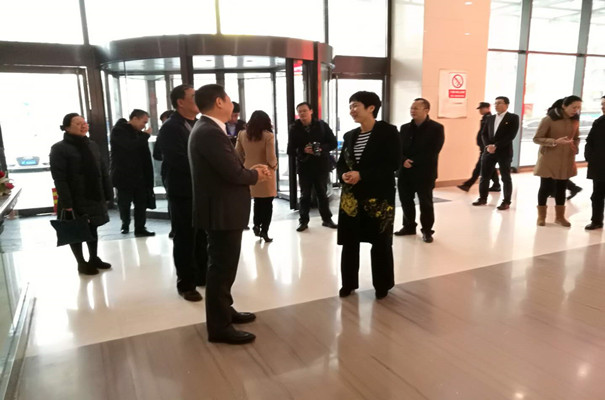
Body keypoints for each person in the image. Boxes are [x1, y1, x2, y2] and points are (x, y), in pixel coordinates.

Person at [189, 84, 271, 344]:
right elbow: (233, 173)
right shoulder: (209, 131)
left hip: (221, 209)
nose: (231, 103)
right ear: (219, 102)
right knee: (221, 269)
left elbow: (227, 167)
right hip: (221, 211)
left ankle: (225, 311)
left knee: (223, 267)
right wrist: (256, 174)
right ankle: (219, 327)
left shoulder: (208, 128)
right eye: (228, 99)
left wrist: (250, 171)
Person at [336, 91, 401, 300]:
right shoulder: (350, 135)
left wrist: (362, 175)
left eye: (355, 105)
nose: (352, 110)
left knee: (380, 242)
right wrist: (343, 174)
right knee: (350, 241)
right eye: (350, 106)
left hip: (378, 198)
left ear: (371, 108)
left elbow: (393, 163)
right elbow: (342, 163)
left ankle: (382, 285)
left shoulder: (388, 132)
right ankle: (348, 283)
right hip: (351, 199)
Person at [156, 85, 207, 302]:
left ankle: (202, 275)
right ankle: (186, 284)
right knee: (185, 236)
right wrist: (207, 168)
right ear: (180, 102)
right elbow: (178, 159)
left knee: (202, 234)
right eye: (194, 96)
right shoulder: (171, 127)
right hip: (182, 190)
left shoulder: (199, 123)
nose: (198, 99)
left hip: (201, 189)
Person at [50, 113, 113, 275]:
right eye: (78, 123)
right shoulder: (59, 149)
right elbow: (59, 178)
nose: (84, 125)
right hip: (74, 196)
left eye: (84, 122)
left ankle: (94, 258)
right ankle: (81, 262)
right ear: (67, 128)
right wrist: (67, 203)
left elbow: (103, 171)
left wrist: (108, 192)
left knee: (93, 227)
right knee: (75, 229)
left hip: (93, 194)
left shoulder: (92, 145)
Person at [395, 98, 445, 243]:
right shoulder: (405, 128)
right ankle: (409, 226)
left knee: (425, 203)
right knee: (406, 200)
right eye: (412, 108)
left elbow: (433, 150)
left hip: (425, 172)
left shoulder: (436, 128)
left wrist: (413, 162)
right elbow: (398, 148)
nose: (413, 111)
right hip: (405, 171)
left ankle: (427, 230)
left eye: (416, 108)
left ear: (426, 110)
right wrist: (403, 160)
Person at [287, 102, 338, 232]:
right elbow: (290, 150)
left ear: (311, 111)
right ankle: (303, 221)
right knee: (305, 195)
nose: (302, 113)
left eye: (304, 110)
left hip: (321, 165)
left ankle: (327, 219)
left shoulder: (322, 126)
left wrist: (320, 148)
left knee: (322, 193)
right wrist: (303, 150)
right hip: (304, 166)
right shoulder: (294, 128)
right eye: (300, 111)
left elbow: (333, 143)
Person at [533, 96, 582, 227]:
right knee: (545, 187)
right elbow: (537, 138)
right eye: (574, 107)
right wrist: (554, 141)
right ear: (564, 106)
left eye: (578, 107)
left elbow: (576, 137)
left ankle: (560, 217)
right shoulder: (549, 119)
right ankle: (541, 217)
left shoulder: (574, 120)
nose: (576, 110)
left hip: (566, 159)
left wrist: (575, 146)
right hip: (549, 158)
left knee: (561, 188)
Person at [110, 109, 155, 236]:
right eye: (143, 122)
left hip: (140, 175)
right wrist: (145, 136)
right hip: (123, 175)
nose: (144, 126)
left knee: (141, 203)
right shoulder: (119, 131)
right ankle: (125, 224)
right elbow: (129, 146)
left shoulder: (139, 133)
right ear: (134, 118)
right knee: (124, 202)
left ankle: (140, 227)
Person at [235, 110, 278, 242]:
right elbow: (270, 157)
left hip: (250, 172)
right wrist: (274, 166)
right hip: (266, 172)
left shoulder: (242, 134)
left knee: (257, 201)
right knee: (267, 203)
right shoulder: (268, 136)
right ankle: (264, 230)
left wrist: (244, 166)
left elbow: (237, 154)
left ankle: (256, 225)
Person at [472, 96, 519, 210]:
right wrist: (488, 145)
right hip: (489, 151)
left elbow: (511, 135)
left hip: (504, 151)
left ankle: (506, 201)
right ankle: (482, 198)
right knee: (484, 176)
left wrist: (496, 146)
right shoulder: (490, 118)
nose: (496, 105)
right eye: (495, 103)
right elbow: (483, 134)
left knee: (505, 177)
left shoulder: (513, 118)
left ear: (506, 105)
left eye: (499, 103)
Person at [457, 102, 500, 192]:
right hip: (484, 147)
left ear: (487, 108)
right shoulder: (485, 118)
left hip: (486, 147)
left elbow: (488, 133)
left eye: (481, 108)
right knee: (490, 166)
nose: (480, 110)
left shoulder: (489, 118)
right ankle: (496, 185)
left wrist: (487, 145)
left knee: (479, 166)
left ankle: (468, 184)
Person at [584, 95, 605, 230]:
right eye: (602, 104)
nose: (603, 107)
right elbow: (589, 141)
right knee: (597, 195)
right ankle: (596, 221)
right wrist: (589, 157)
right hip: (599, 165)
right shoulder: (599, 122)